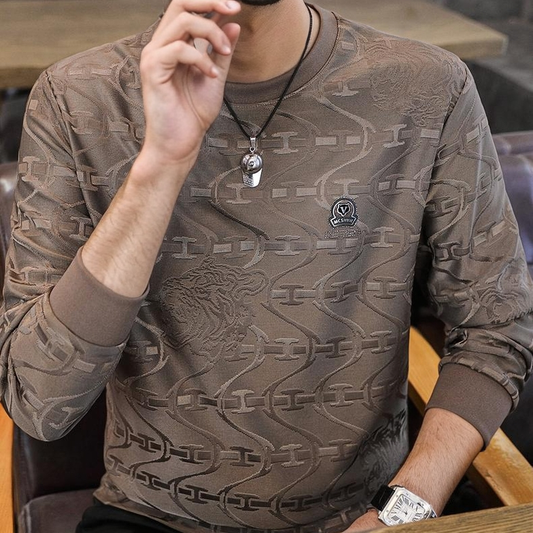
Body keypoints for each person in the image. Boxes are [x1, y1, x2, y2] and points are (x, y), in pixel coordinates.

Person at [1, 0, 532, 531]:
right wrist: (160, 163)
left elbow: (497, 324)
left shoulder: (427, 87)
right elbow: (39, 402)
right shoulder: (77, 98)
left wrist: (405, 508)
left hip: (369, 512)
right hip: (152, 515)